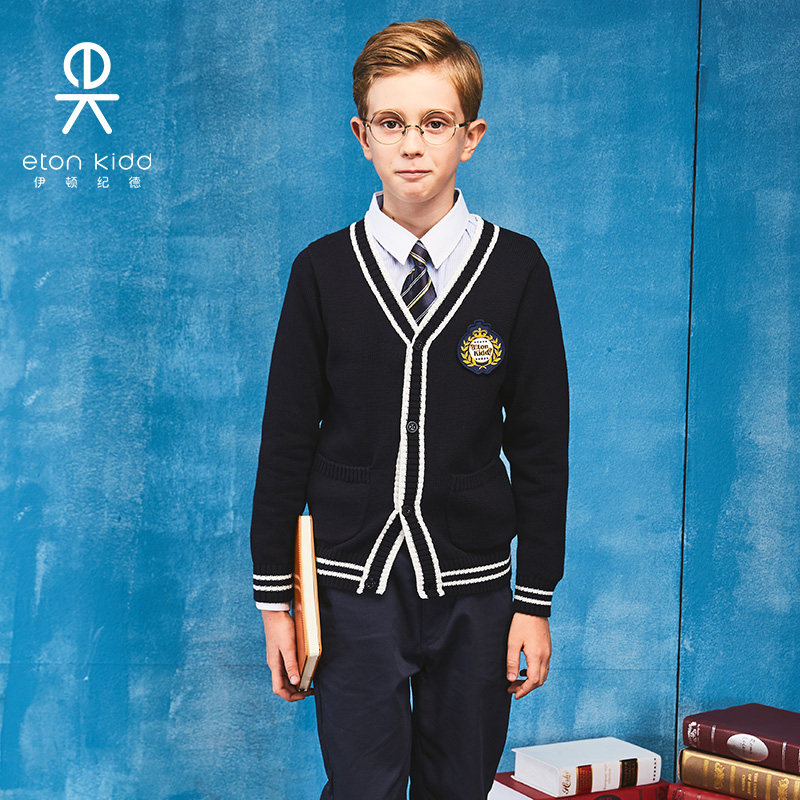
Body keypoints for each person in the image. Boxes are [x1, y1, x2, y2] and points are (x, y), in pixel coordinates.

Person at [249, 17, 569, 800]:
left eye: (435, 123)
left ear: (471, 137)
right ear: (363, 136)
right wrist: (275, 602)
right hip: (349, 587)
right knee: (361, 787)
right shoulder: (322, 270)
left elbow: (540, 445)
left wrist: (534, 600)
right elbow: (286, 441)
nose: (413, 144)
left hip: (477, 591)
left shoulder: (517, 268)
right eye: (391, 123)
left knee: (460, 785)